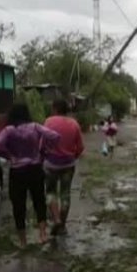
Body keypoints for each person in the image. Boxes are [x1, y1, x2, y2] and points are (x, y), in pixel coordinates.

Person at [0, 104, 60, 247]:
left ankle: (23, 242)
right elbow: (54, 136)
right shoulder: (35, 127)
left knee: (18, 205)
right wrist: (44, 151)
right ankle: (42, 234)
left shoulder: (9, 130)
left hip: (17, 171)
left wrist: (9, 155)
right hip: (35, 168)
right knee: (39, 201)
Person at [44, 99, 85, 236]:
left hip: (50, 165)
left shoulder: (48, 122)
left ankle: (56, 219)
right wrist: (73, 157)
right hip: (68, 165)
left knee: (50, 192)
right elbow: (80, 147)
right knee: (65, 194)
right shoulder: (74, 124)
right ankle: (62, 225)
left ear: (55, 108)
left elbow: (42, 143)